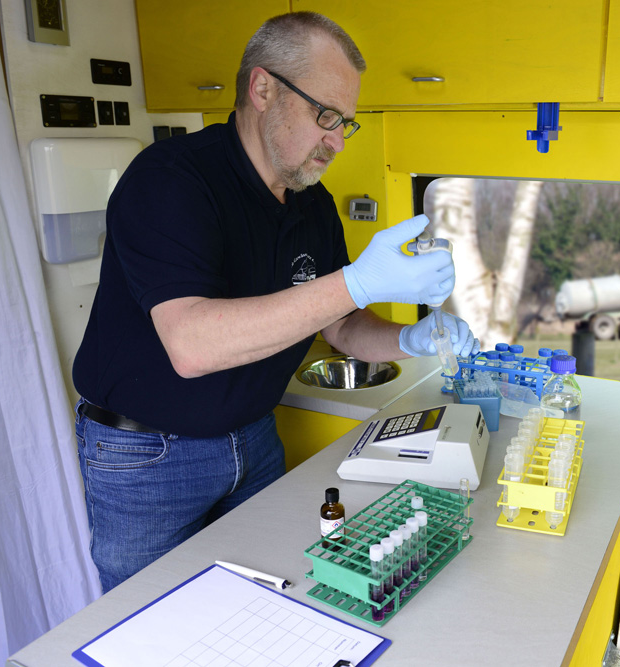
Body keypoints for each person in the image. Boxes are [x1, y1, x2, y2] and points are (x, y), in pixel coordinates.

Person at [71, 11, 477, 592]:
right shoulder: (169, 181)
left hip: (254, 439)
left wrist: (413, 340)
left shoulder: (311, 203)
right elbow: (190, 344)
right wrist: (357, 281)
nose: (337, 140)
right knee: (152, 630)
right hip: (148, 459)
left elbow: (341, 325)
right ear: (263, 89)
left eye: (347, 124)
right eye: (326, 116)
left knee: (271, 603)